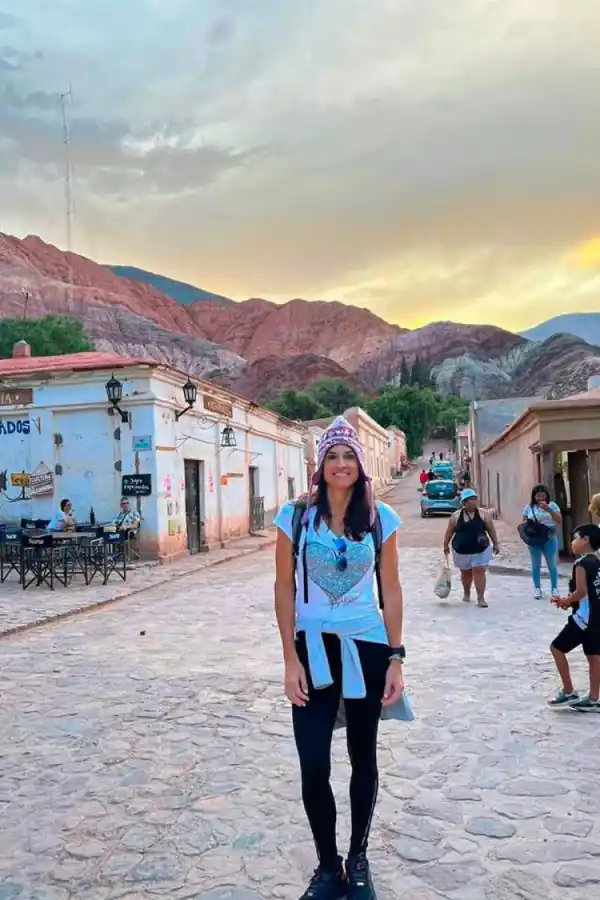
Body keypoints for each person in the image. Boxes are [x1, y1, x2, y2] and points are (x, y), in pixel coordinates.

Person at [274, 416, 404, 900]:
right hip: (313, 650)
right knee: (313, 763)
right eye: (333, 455)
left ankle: (359, 858)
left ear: (361, 465)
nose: (341, 464)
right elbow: (283, 587)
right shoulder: (294, 516)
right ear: (320, 464)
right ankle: (328, 867)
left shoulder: (380, 517)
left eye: (349, 456)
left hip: (368, 648)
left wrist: (396, 656)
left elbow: (390, 589)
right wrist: (289, 658)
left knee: (362, 757)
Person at [548, 523, 600, 712]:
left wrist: (565, 601)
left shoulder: (581, 564)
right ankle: (594, 698)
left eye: (575, 538)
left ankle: (569, 690)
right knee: (594, 657)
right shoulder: (597, 561)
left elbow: (581, 591)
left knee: (556, 648)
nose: (572, 543)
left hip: (583, 619)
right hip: (597, 618)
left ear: (585, 540)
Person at [443, 488, 500, 608]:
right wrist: (445, 545)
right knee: (466, 573)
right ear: (464, 502)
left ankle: (481, 598)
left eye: (475, 499)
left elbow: (491, 529)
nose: (474, 502)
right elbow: (449, 532)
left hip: (480, 549)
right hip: (461, 550)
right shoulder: (456, 516)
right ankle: (467, 592)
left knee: (479, 570)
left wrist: (496, 543)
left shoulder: (484, 514)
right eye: (471, 500)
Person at [522, 484, 562, 599]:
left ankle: (554, 588)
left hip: (550, 538)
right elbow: (523, 524)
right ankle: (537, 588)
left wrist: (548, 510)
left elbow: (559, 520)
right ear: (534, 496)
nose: (540, 498)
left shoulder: (553, 505)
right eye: (538, 496)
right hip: (535, 540)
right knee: (536, 565)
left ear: (547, 496)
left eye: (543, 496)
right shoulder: (528, 508)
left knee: (552, 565)